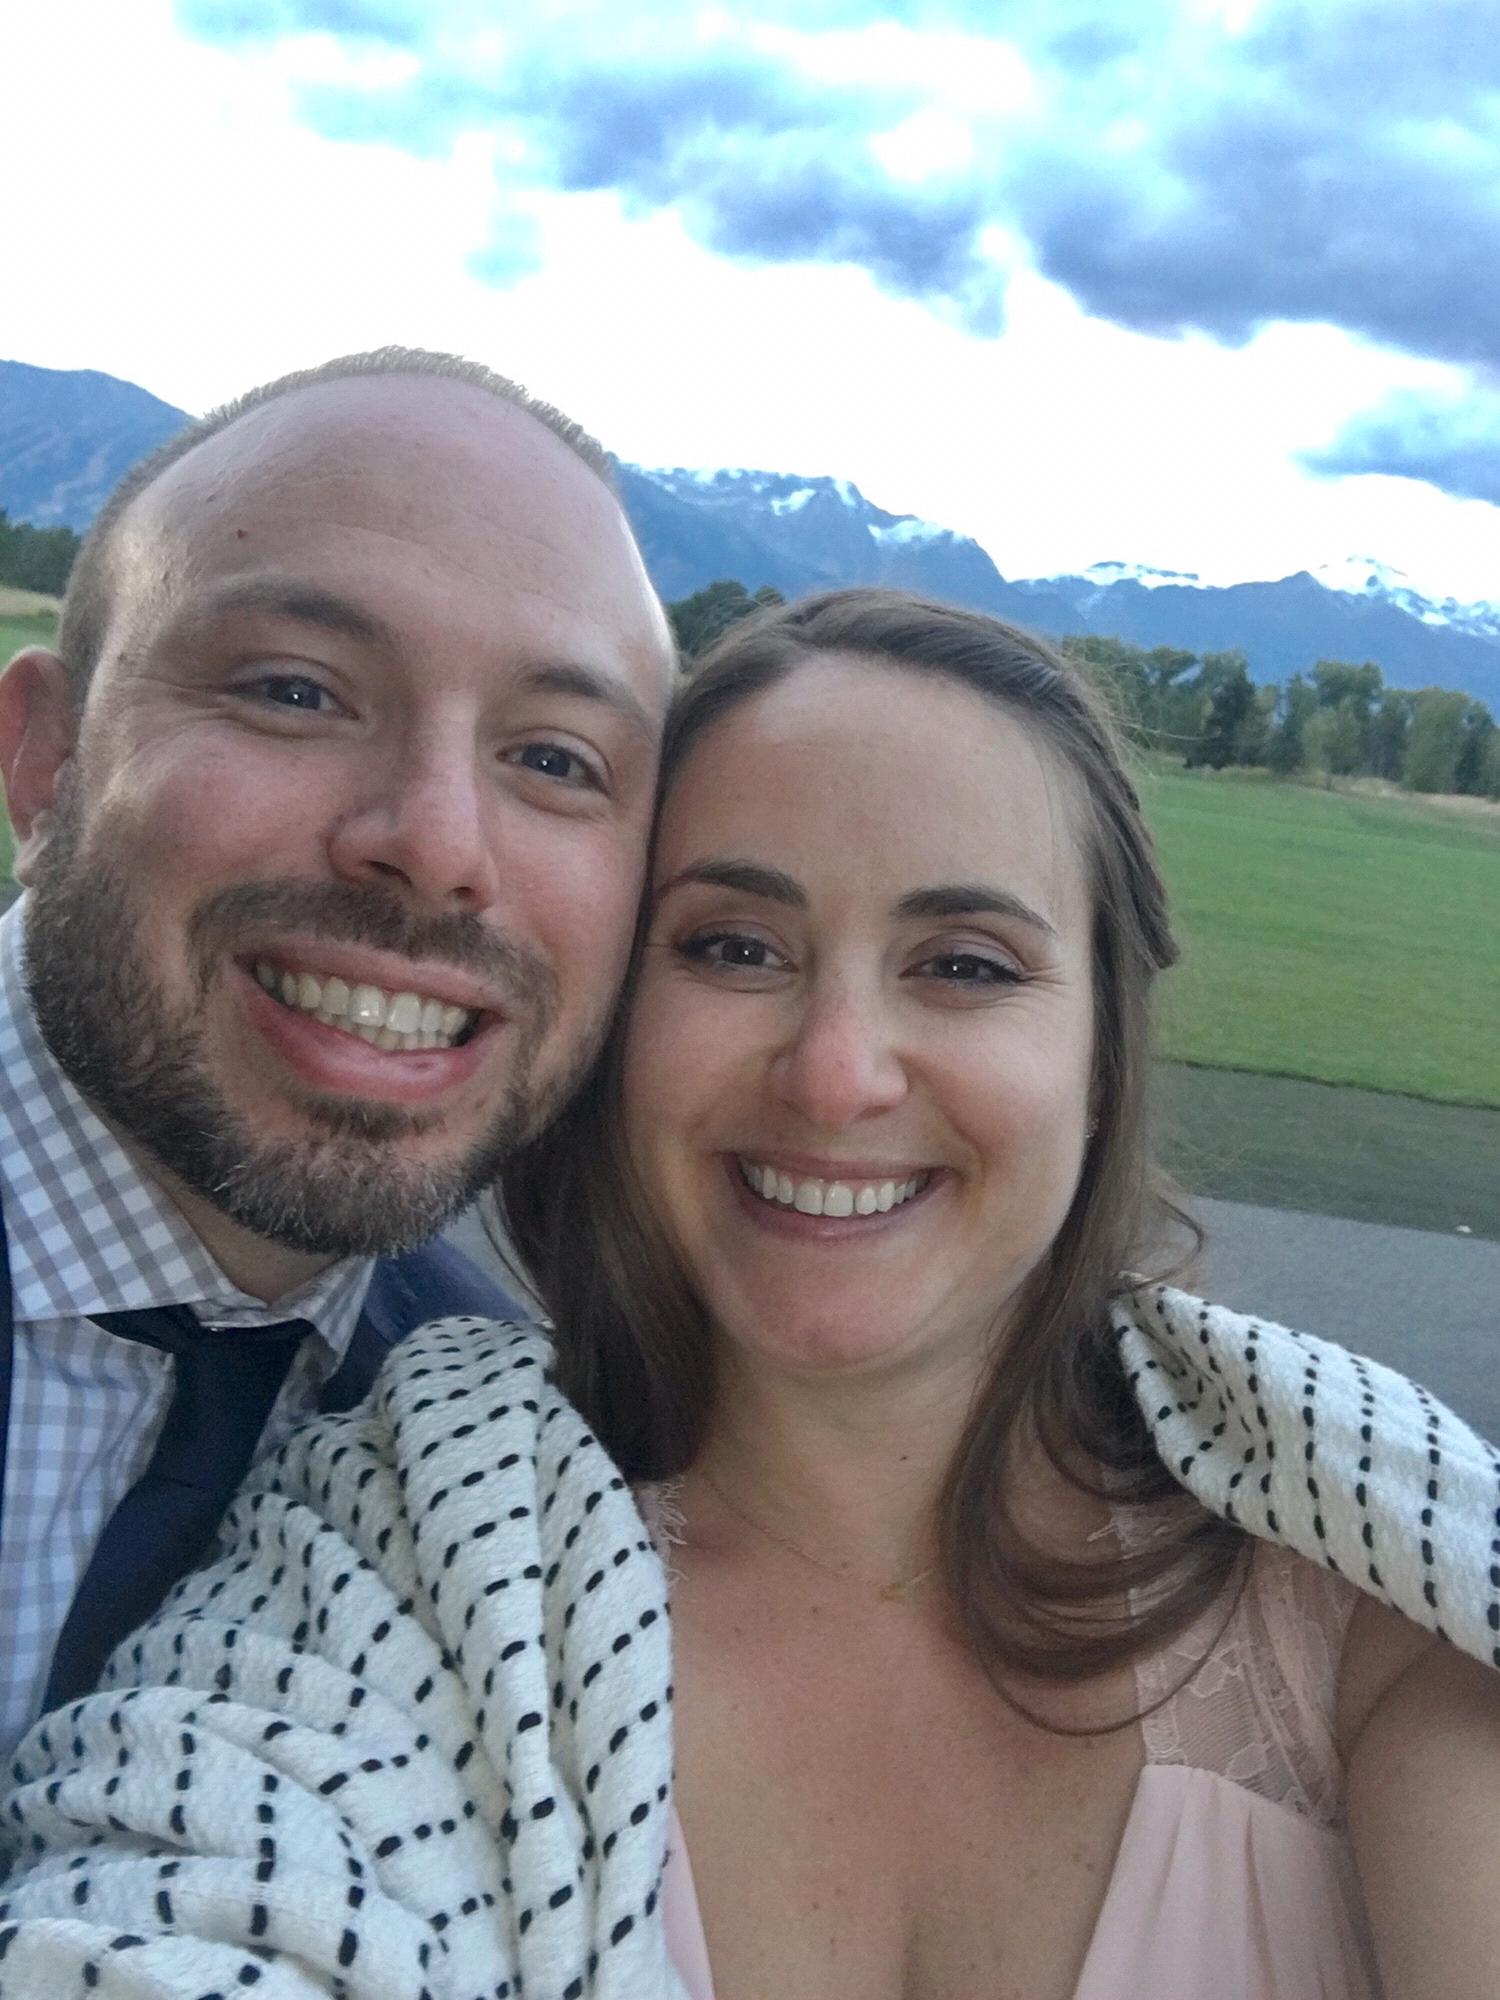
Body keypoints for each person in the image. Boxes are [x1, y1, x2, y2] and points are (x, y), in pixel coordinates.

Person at [1, 591, 1497, 1999]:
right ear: (609, 1020)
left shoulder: (1373, 1572)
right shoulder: (401, 1566)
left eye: (965, 965)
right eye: (733, 947)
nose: (837, 1075)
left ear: (1102, 1047)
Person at [0, 347, 675, 1759]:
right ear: (45, 759)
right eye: (297, 691)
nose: (436, 843)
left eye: (556, 759)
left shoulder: (506, 1477)